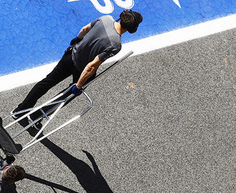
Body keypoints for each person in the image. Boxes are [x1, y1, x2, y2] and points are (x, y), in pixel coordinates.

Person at [12, 10, 142, 120]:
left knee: (47, 82)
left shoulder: (106, 18)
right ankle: (38, 116)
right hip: (82, 69)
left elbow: (84, 30)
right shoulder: (115, 44)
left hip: (70, 56)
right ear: (132, 29)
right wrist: (79, 86)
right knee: (67, 95)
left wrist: (77, 41)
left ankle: (21, 109)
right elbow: (92, 66)